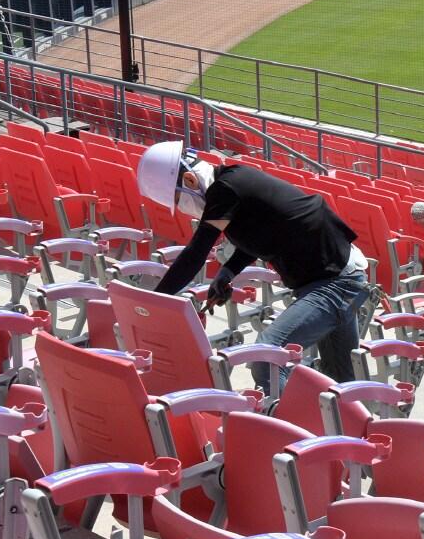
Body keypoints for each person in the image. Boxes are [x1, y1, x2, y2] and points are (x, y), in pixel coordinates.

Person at [137, 142, 370, 391]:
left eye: (177, 198)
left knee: (265, 358)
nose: (182, 208)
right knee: (341, 384)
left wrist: (155, 302)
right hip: (333, 276)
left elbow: (196, 252)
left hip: (334, 280)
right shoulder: (232, 186)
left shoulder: (224, 190)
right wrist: (227, 273)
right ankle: (345, 426)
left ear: (190, 180)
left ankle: (279, 428)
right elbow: (259, 235)